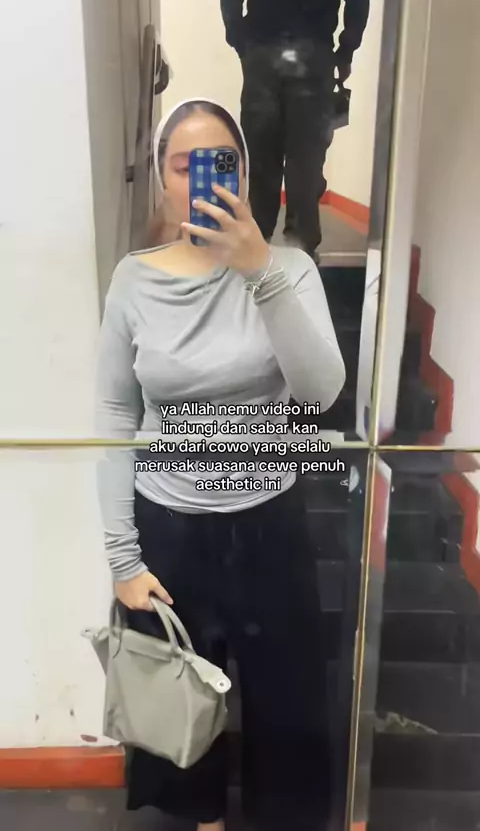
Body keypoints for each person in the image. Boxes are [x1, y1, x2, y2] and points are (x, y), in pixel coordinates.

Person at [96, 98, 346, 831]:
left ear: (246, 172)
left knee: (289, 700)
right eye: (186, 165)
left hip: (270, 522)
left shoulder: (290, 268)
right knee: (180, 697)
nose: (206, 179)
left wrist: (260, 270)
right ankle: (203, 821)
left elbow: (321, 393)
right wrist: (122, 557)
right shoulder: (134, 280)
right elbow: (114, 417)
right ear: (164, 182)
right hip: (170, 527)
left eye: (223, 163)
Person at [220, 0, 370, 259]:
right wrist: (346, 49)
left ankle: (256, 243)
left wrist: (238, 36)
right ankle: (301, 249)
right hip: (313, 49)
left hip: (264, 46)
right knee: (307, 157)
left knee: (261, 153)